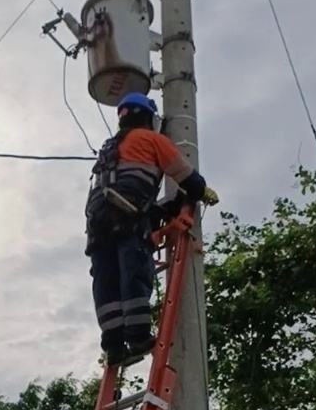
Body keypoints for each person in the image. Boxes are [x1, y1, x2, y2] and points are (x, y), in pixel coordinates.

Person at [84, 91, 219, 366]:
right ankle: (137, 337)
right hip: (128, 221)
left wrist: (164, 208)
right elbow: (187, 177)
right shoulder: (152, 140)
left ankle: (113, 347)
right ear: (149, 117)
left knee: (106, 282)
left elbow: (129, 188)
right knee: (134, 273)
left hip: (98, 226)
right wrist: (201, 190)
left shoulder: (110, 149)